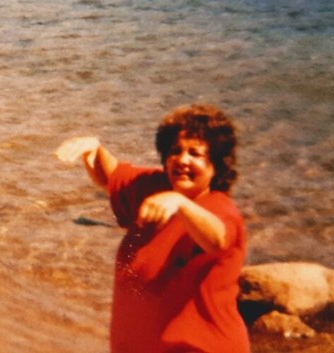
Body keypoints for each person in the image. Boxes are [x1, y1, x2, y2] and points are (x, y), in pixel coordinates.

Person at [55, 104, 250, 353]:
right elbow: (110, 176)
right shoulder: (155, 186)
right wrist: (94, 148)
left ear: (217, 164)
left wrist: (181, 205)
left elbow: (218, 239)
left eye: (195, 153)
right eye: (175, 151)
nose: (182, 159)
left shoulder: (220, 209)